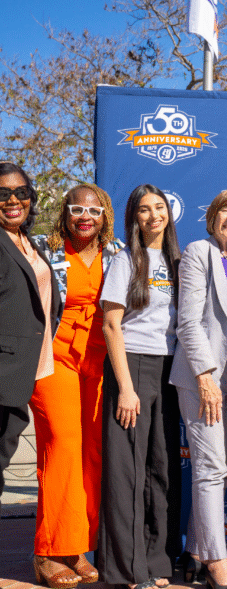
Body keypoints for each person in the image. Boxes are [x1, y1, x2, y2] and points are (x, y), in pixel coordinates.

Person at [28, 185, 122, 588]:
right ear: (65, 212)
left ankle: (78, 545)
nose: (85, 216)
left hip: (99, 361)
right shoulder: (41, 248)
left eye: (94, 210)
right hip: (53, 359)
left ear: (105, 216)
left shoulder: (117, 252)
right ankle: (48, 552)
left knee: (92, 452)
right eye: (77, 208)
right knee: (62, 445)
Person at [169, 190, 227, 589]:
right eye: (225, 210)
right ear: (213, 216)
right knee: (209, 467)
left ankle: (195, 551)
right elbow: (187, 321)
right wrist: (205, 375)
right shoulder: (198, 253)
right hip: (203, 374)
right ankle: (218, 565)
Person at [98, 184, 182, 589]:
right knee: (127, 471)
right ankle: (127, 570)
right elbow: (112, 324)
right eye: (145, 210)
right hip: (130, 366)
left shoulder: (179, 260)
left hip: (170, 370)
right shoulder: (124, 260)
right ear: (135, 217)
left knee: (161, 470)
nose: (154, 216)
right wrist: (126, 389)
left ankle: (157, 562)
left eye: (160, 207)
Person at [0, 162, 62, 566]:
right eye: (2, 193)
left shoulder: (27, 240)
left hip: (29, 370)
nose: (12, 201)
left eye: (21, 192)